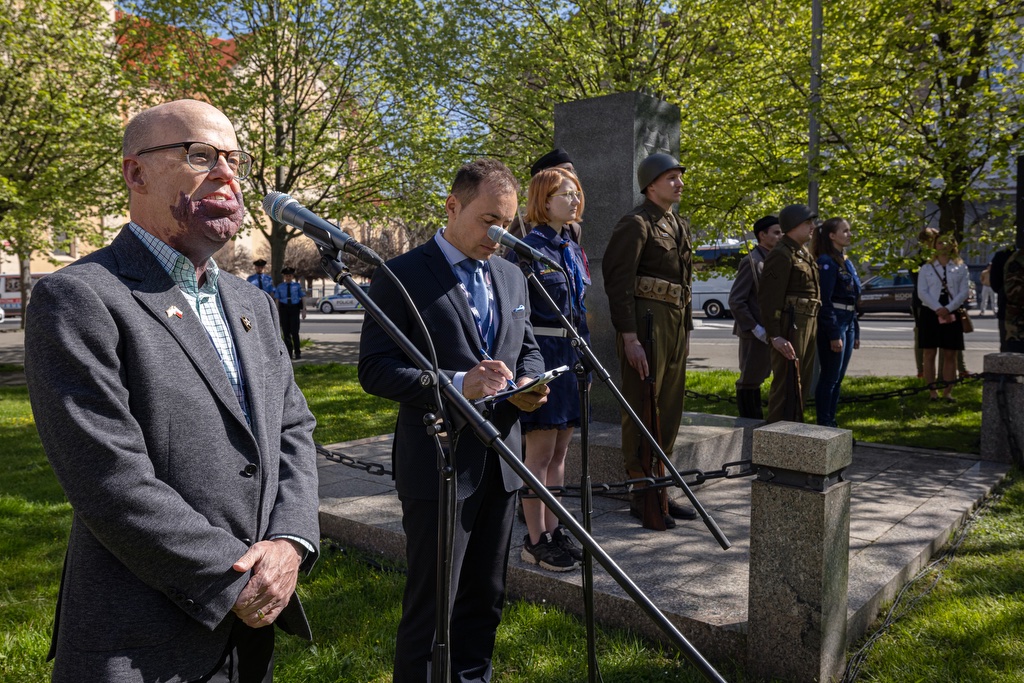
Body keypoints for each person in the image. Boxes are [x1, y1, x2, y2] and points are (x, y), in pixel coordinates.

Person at [23, 99, 320, 682]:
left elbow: (293, 429)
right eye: (200, 155)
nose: (226, 174)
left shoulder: (253, 303)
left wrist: (290, 542)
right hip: (140, 640)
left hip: (251, 630)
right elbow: (108, 478)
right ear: (136, 173)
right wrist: (232, 579)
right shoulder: (79, 297)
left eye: (234, 159)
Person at [358, 158, 548, 682]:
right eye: (488, 221)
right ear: (452, 206)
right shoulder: (400, 274)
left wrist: (530, 383)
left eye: (506, 224)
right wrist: (458, 383)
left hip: (503, 463)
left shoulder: (512, 275)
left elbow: (528, 348)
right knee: (433, 605)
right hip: (438, 463)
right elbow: (375, 369)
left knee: (485, 598)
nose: (498, 236)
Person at [603, 152, 696, 527]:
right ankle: (641, 492)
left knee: (669, 409)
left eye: (679, 177)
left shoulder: (677, 224)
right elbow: (618, 281)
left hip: (674, 323)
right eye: (671, 177)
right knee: (643, 406)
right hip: (646, 324)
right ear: (650, 185)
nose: (679, 183)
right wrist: (629, 336)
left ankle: (661, 487)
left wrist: (686, 328)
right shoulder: (637, 223)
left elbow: (684, 281)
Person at [506, 167, 589, 572]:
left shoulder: (569, 247)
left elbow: (578, 308)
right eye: (565, 195)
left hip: (571, 356)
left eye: (576, 194)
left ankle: (554, 532)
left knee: (560, 454)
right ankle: (535, 539)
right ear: (544, 200)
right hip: (543, 353)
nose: (574, 201)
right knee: (538, 456)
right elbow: (516, 313)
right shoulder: (525, 250)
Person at [758, 203, 820, 424]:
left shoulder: (802, 253)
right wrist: (775, 335)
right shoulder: (781, 254)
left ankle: (794, 430)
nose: (812, 227)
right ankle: (776, 434)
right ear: (793, 225)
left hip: (807, 322)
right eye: (807, 222)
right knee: (787, 382)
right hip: (790, 324)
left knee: (801, 381)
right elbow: (768, 298)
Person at [729, 215, 784, 419]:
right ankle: (749, 423)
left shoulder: (772, 260)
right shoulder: (752, 262)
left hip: (772, 330)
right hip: (754, 333)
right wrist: (755, 328)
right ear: (762, 235)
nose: (781, 236)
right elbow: (736, 300)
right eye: (776, 232)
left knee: (763, 376)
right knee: (750, 380)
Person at [813, 217, 861, 427]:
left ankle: (832, 422)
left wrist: (855, 331)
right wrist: (833, 333)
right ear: (832, 235)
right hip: (835, 322)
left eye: (849, 230)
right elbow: (825, 300)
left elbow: (852, 298)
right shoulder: (826, 262)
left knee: (838, 378)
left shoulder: (845, 261)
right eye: (845, 231)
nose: (849, 234)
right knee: (830, 377)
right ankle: (825, 424)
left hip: (848, 322)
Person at [917, 232, 970, 402]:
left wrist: (948, 308)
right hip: (930, 312)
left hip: (952, 311)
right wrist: (938, 308)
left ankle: (948, 392)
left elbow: (964, 292)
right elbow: (922, 292)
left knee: (950, 353)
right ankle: (932, 392)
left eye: (948, 242)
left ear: (953, 245)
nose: (944, 246)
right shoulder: (926, 268)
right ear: (934, 245)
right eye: (940, 242)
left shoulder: (961, 267)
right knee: (929, 353)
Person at [507, 148, 582, 244]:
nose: (572, 176)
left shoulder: (573, 229)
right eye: (565, 170)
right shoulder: (523, 226)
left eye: (572, 171)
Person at [911, 227, 940, 378]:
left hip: (938, 302)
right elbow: (920, 285)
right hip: (921, 303)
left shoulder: (939, 259)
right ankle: (921, 370)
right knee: (921, 335)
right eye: (934, 239)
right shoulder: (918, 260)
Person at [275, 266, 306, 359]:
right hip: (284, 309)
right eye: (286, 276)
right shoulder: (280, 286)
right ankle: (289, 353)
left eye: (290, 275)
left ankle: (297, 352)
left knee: (295, 332)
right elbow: (277, 299)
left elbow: (303, 297)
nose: (288, 277)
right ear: (284, 276)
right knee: (286, 332)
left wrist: (304, 310)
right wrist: (276, 312)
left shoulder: (297, 286)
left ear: (292, 276)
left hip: (294, 309)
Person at [990, 246, 1014, 350]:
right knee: (1008, 349)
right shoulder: (1003, 255)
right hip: (1007, 310)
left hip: (1007, 309)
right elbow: (995, 284)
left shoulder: (1003, 255)